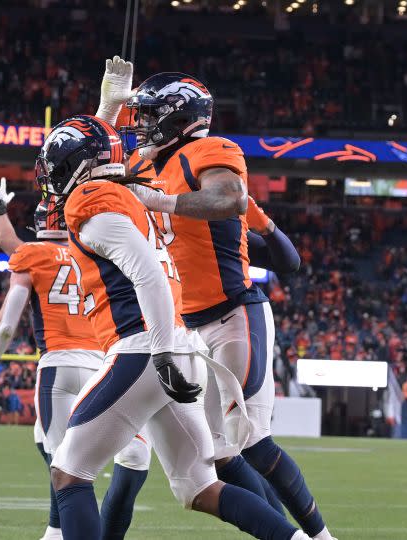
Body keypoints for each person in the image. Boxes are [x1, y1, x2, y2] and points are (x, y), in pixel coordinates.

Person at [38, 114, 310, 540]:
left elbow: (147, 274)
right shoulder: (122, 194)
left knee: (69, 473)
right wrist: (106, 108)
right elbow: (101, 152)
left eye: (56, 167)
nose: (51, 178)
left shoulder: (90, 198)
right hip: (177, 346)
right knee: (199, 487)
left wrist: (162, 349)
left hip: (144, 349)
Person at [120, 72, 332, 539]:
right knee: (219, 453)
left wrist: (166, 201)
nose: (145, 125)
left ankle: (321, 536)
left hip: (235, 314)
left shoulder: (210, 150)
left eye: (153, 115)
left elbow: (230, 199)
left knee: (251, 440)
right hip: (190, 330)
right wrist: (109, 104)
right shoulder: (148, 162)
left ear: (180, 116)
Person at [0, 180, 153, 540]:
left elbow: (7, 324)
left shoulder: (32, 255)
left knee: (65, 465)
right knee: (125, 454)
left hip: (58, 366)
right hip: (104, 364)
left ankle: (57, 532)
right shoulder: (91, 251)